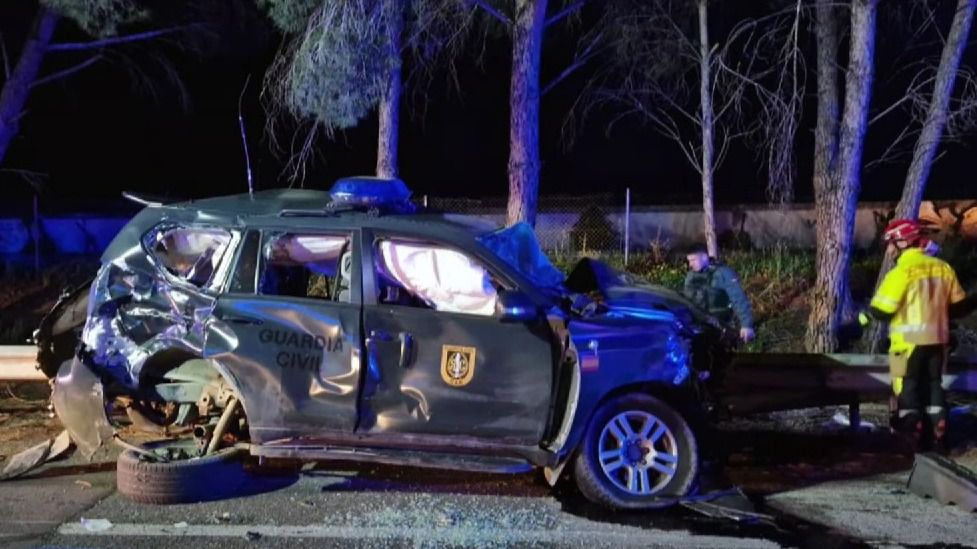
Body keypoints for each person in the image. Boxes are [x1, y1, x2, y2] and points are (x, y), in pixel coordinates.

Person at [859, 219, 974, 451]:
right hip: (938, 343)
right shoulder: (942, 268)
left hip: (905, 345)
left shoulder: (901, 272)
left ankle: (912, 437)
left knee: (906, 388)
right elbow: (960, 307)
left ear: (903, 241)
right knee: (934, 386)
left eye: (891, 243)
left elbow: (882, 310)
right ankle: (938, 435)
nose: (889, 250)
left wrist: (862, 319)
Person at [682, 245, 755, 343]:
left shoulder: (723, 274)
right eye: (689, 261)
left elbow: (738, 298)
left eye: (693, 260)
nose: (690, 264)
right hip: (698, 323)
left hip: (721, 323)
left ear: (704, 257)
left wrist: (746, 325)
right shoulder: (691, 277)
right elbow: (686, 300)